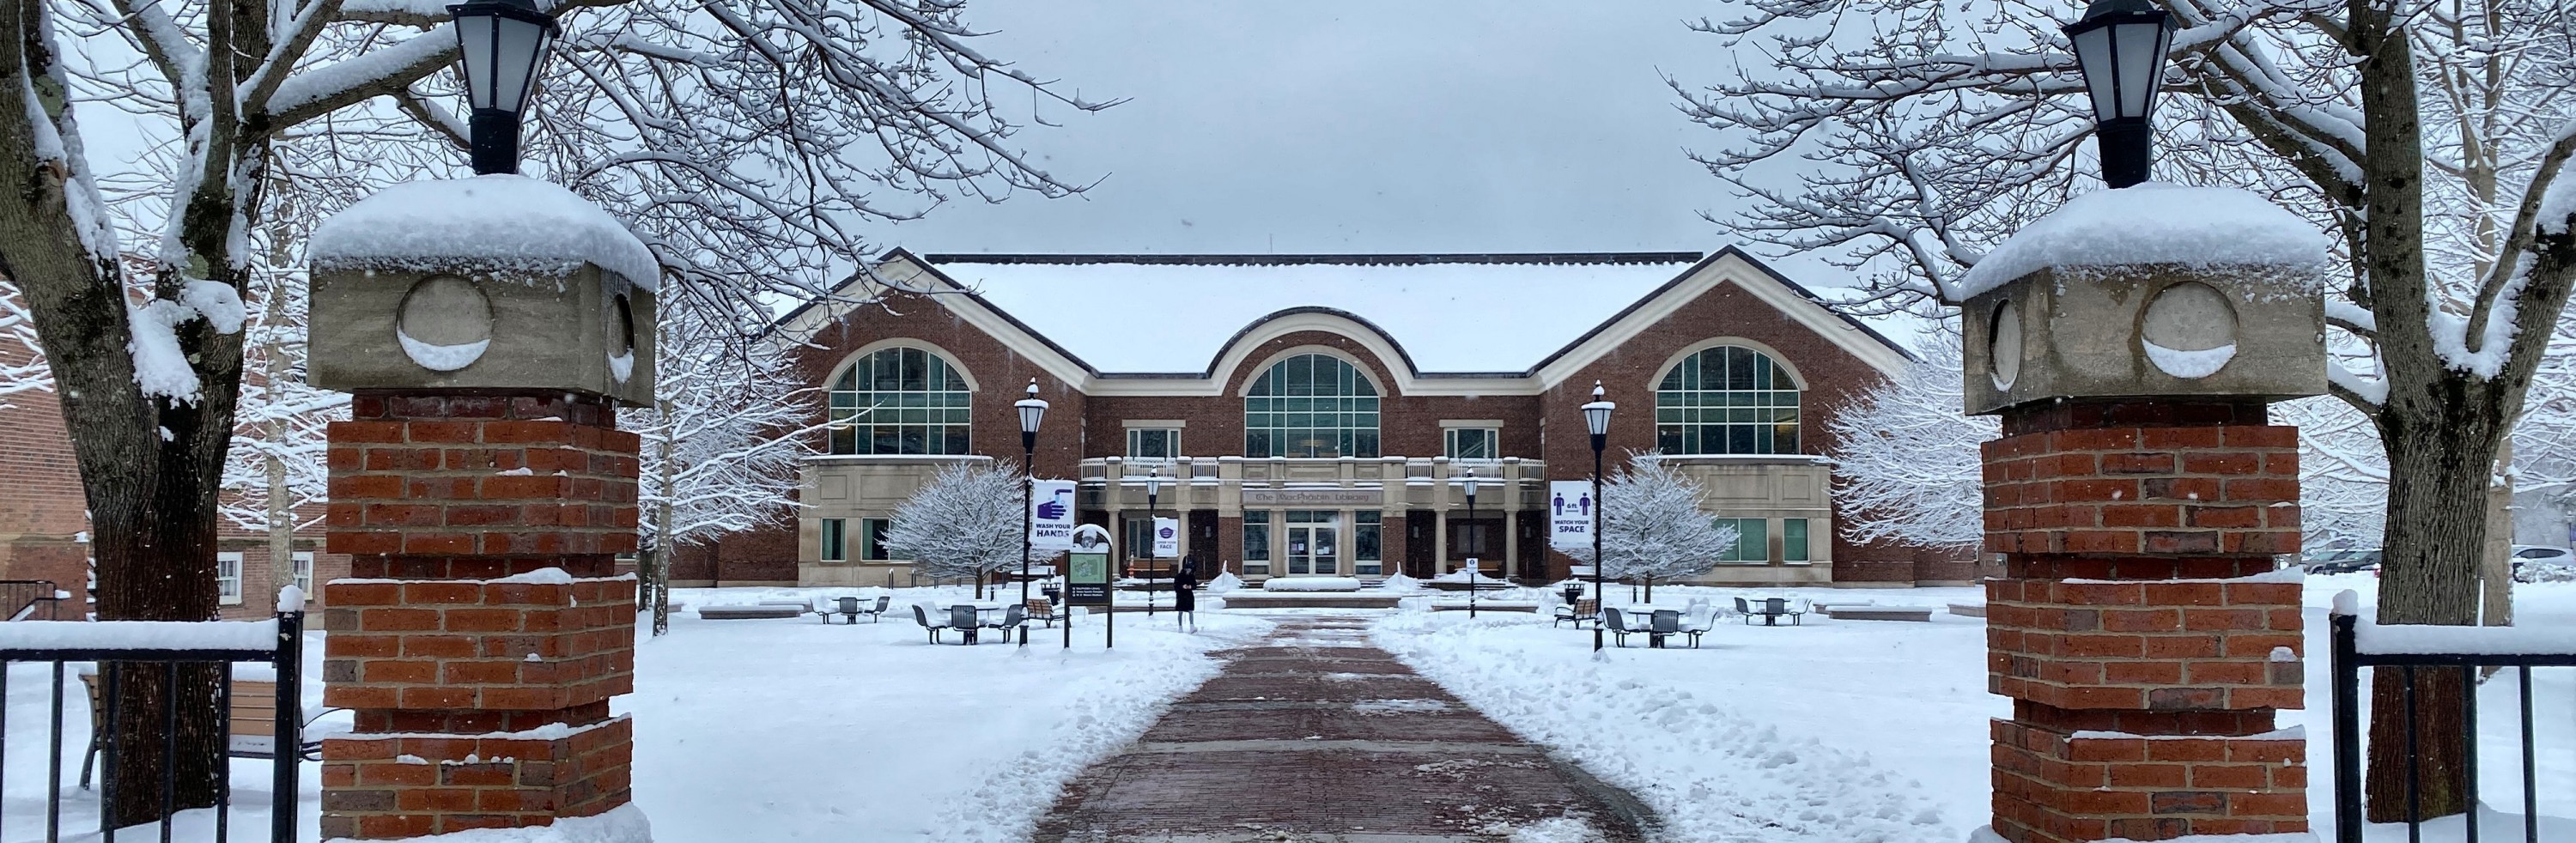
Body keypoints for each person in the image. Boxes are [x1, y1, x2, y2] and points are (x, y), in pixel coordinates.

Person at [1173, 561, 1199, 632]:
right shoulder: (1179, 576)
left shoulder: (1192, 576)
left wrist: (1190, 587)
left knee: (1190, 611)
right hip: (1181, 595)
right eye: (1187, 570)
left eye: (1190, 570)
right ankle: (1180, 627)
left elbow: (1195, 586)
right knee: (1180, 612)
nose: (1188, 571)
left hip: (1189, 595)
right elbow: (1176, 586)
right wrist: (1182, 587)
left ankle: (1192, 626)